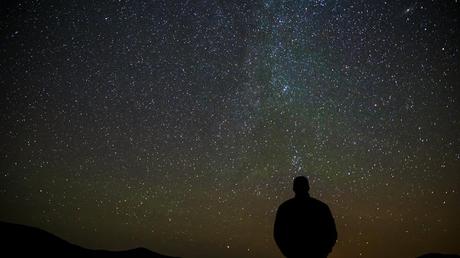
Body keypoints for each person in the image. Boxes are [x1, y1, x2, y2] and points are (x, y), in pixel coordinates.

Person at [274, 176, 337, 258]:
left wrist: (289, 253)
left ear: (293, 188)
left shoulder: (285, 208)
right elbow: (331, 232)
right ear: (308, 187)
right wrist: (324, 251)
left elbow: (278, 234)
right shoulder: (321, 207)